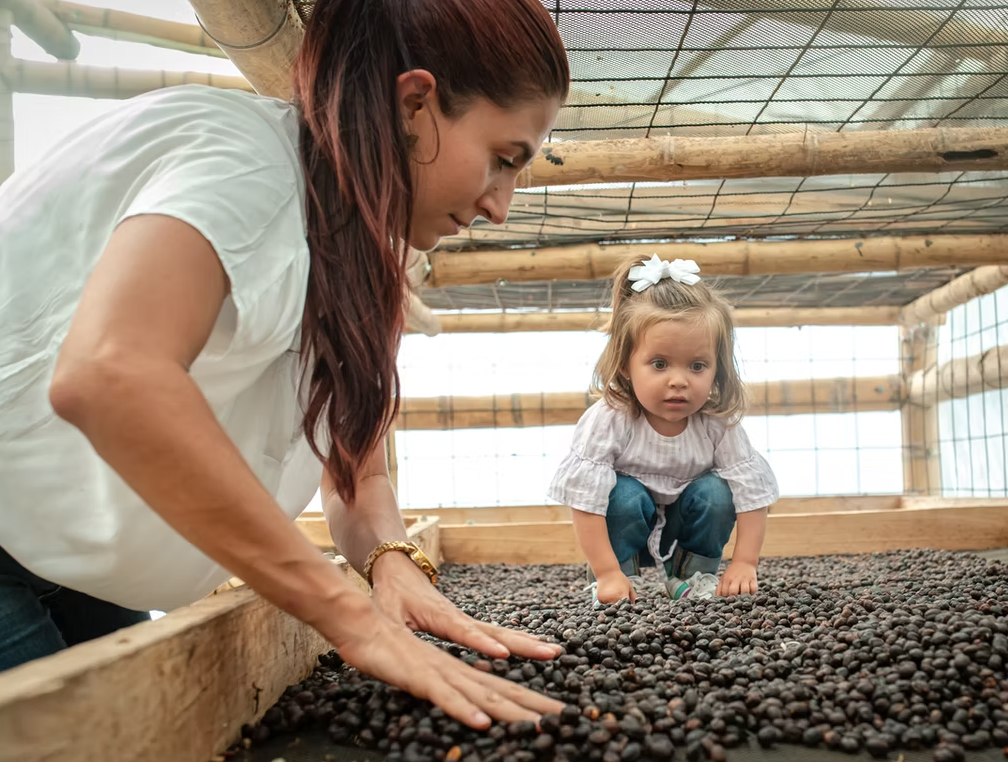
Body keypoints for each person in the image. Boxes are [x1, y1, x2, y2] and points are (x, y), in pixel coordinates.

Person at [0, 0, 570, 730]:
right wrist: (348, 619)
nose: (502, 206)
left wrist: (395, 564)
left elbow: (354, 466)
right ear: (416, 102)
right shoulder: (244, 169)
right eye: (504, 158)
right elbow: (112, 376)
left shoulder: (361, 248)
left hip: (55, 551)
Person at [548, 255, 780, 606]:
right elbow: (585, 501)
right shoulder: (610, 419)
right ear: (625, 364)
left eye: (697, 365)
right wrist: (606, 570)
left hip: (684, 526)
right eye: (659, 364)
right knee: (621, 495)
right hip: (626, 527)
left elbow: (751, 495)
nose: (678, 381)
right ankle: (619, 577)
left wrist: (745, 562)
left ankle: (691, 574)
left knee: (718, 493)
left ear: (716, 369)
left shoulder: (716, 422)